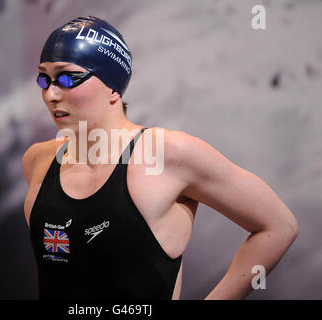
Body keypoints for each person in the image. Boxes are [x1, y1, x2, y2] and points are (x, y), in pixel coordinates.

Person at [22, 16, 299, 300]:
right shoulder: (38, 162)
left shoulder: (168, 155)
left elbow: (278, 225)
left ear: (113, 87)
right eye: (44, 78)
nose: (50, 94)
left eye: (67, 78)